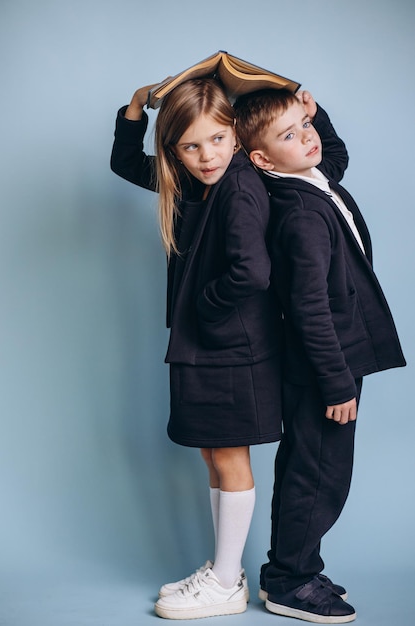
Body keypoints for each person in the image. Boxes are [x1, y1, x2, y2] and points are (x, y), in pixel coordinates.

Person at [110, 77, 283, 620]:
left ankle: (228, 582)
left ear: (234, 134)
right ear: (175, 150)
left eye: (217, 139)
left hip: (234, 348)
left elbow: (252, 272)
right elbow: (124, 163)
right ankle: (222, 571)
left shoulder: (239, 186)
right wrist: (136, 107)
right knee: (214, 450)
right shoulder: (191, 184)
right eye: (190, 145)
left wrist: (203, 307)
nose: (207, 155)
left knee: (229, 455)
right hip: (207, 347)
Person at [234, 88, 406, 623]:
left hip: (337, 359)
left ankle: (298, 564)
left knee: (317, 468)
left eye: (302, 126)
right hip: (324, 368)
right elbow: (307, 308)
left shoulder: (309, 177)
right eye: (289, 134)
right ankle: (289, 581)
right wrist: (335, 383)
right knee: (318, 474)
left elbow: (334, 153)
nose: (306, 138)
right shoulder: (299, 215)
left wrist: (313, 112)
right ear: (262, 159)